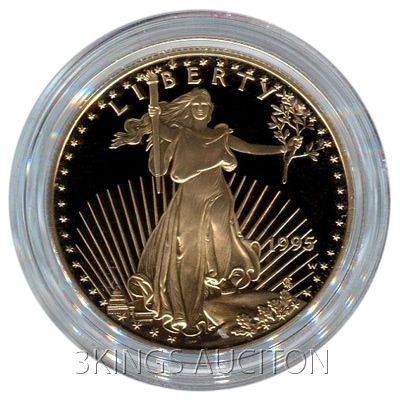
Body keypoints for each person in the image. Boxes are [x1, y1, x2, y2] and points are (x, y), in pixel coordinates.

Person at [111, 88, 302, 336]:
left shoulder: (220, 136)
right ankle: (187, 304)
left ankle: (221, 280)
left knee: (221, 234)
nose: (200, 108)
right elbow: (163, 141)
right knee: (186, 249)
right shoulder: (180, 134)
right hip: (190, 198)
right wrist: (155, 117)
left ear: (210, 110)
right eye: (196, 105)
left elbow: (251, 148)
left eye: (205, 105)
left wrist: (283, 149)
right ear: (190, 110)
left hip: (218, 194)